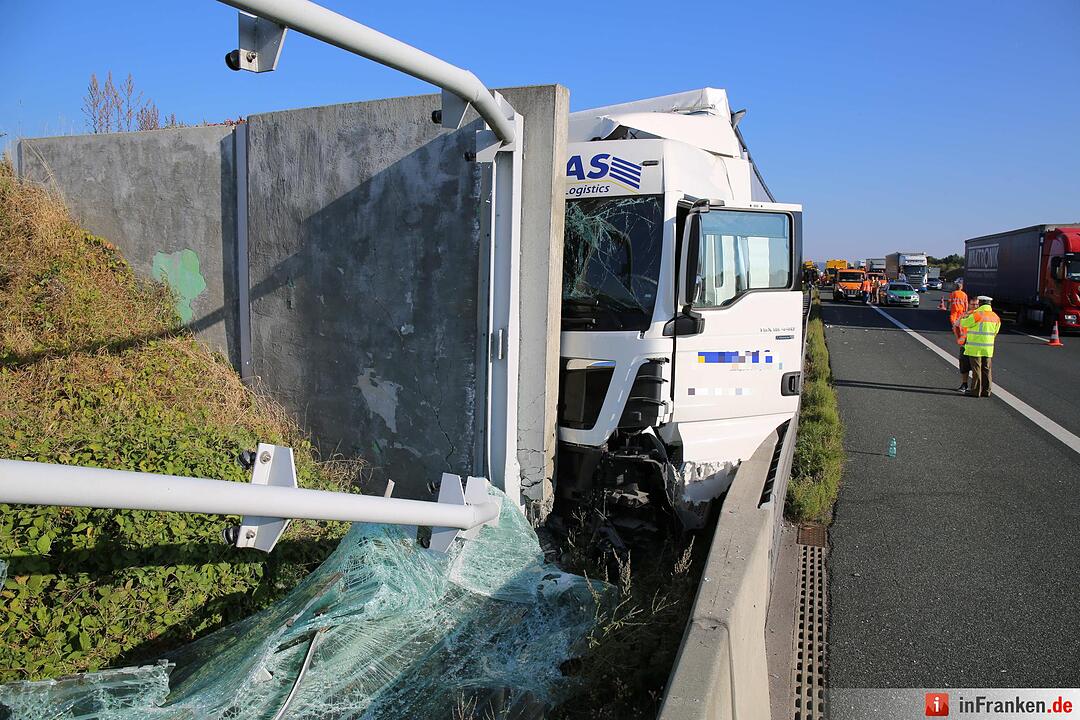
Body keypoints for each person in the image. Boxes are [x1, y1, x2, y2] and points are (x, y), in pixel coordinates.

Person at [958, 295, 1001, 397]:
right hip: (988, 348)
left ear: (980, 303)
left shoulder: (977, 314)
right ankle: (986, 391)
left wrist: (964, 318)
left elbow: (964, 324)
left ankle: (975, 391)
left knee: (976, 370)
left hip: (975, 348)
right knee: (986, 369)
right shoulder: (995, 317)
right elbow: (995, 332)